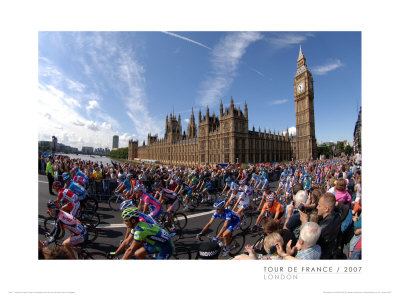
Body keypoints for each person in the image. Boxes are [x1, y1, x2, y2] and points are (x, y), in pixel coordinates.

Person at [109, 207, 174, 259]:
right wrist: (115, 253)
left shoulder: (140, 231)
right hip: (155, 243)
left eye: (126, 220)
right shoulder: (137, 226)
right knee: (138, 254)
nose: (124, 222)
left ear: (133, 220)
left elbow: (130, 250)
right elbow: (126, 242)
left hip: (166, 246)